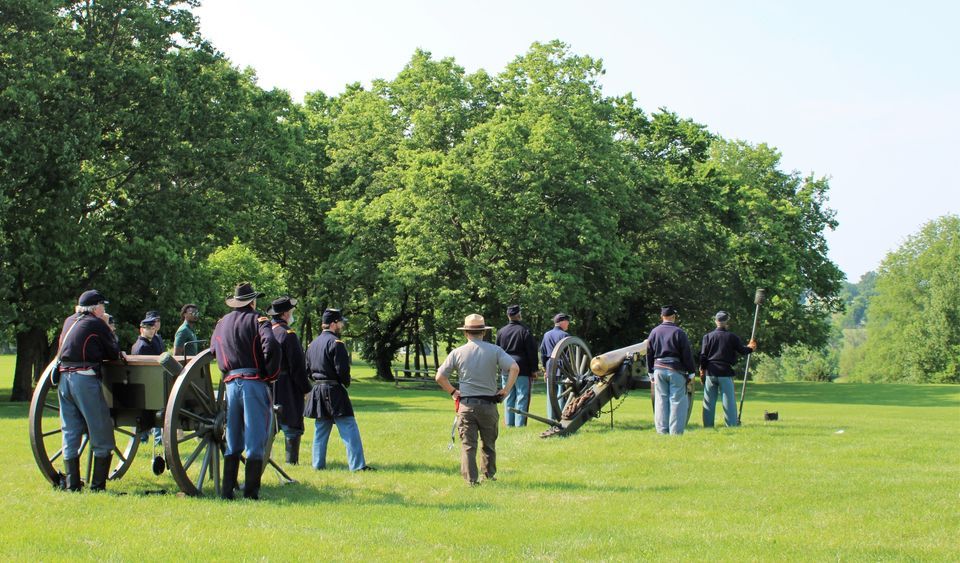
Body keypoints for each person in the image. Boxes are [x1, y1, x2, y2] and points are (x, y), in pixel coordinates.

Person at [210, 282, 281, 500]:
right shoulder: (258, 320)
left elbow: (214, 349)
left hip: (231, 383)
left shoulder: (222, 323)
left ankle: (227, 491)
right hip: (253, 381)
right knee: (255, 435)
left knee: (232, 436)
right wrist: (269, 375)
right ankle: (250, 493)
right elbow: (271, 345)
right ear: (253, 301)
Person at [436, 314, 518, 485]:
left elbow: (440, 377)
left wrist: (452, 391)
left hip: (466, 405)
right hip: (488, 405)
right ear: (483, 333)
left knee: (468, 445)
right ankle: (489, 475)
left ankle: (471, 480)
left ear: (466, 333)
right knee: (488, 444)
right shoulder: (495, 350)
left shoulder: (457, 353)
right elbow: (514, 367)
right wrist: (505, 390)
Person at [57, 290, 121, 491]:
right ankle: (97, 485)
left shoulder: (69, 321)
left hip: (63, 379)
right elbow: (112, 352)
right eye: (103, 306)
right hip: (84, 379)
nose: (104, 310)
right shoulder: (95, 323)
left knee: (70, 429)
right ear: (96, 307)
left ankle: (73, 484)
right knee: (100, 428)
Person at [304, 308, 374, 472]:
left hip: (318, 390)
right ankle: (357, 466)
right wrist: (345, 382)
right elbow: (342, 370)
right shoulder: (336, 343)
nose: (342, 325)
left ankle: (317, 465)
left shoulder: (312, 344)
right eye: (340, 322)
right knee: (349, 427)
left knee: (320, 430)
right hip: (334, 390)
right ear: (334, 323)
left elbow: (307, 370)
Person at [267, 296, 311, 465]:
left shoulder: (267, 331)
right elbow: (297, 366)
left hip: (269, 384)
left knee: (270, 423)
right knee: (292, 423)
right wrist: (306, 388)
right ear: (285, 314)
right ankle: (291, 461)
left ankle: (265, 457)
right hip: (287, 385)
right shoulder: (288, 334)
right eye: (291, 311)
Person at [699, 311, 757, 428]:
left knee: (709, 402)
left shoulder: (707, 337)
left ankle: (708, 426)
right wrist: (751, 348)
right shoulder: (732, 337)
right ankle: (731, 424)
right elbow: (743, 351)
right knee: (729, 401)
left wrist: (702, 370)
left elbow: (703, 356)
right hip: (725, 371)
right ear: (727, 322)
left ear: (716, 321)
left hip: (710, 371)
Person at [646, 305, 697, 435]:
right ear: (674, 317)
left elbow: (649, 353)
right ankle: (675, 432)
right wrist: (691, 372)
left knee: (661, 400)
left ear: (662, 317)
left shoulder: (654, 332)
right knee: (677, 400)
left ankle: (662, 431)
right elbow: (686, 354)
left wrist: (650, 372)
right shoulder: (679, 332)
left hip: (658, 368)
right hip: (675, 369)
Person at [495, 305, 539, 427]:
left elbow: (497, 350)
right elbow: (531, 351)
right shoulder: (525, 330)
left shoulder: (501, 331)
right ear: (519, 315)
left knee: (508, 395)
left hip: (506, 367)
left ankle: (509, 423)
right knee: (522, 396)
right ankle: (520, 424)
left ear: (508, 316)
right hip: (522, 368)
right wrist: (534, 369)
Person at [540, 312, 571, 420]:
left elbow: (543, 353)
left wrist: (545, 368)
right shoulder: (565, 336)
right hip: (562, 365)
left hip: (550, 365)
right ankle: (561, 416)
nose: (568, 324)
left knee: (550, 393)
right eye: (567, 322)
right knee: (561, 392)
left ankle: (551, 417)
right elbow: (569, 355)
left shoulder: (546, 335)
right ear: (562, 322)